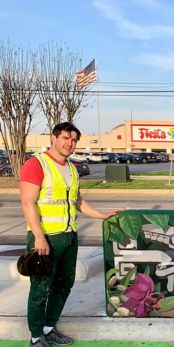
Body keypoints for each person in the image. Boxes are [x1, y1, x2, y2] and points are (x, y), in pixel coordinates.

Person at [19, 122, 119, 347]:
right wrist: (39, 237)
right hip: (46, 238)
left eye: (73, 140)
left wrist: (101, 215)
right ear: (54, 138)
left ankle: (49, 327)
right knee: (40, 289)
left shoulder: (72, 169)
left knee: (64, 284)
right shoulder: (37, 164)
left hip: (69, 237)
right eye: (65, 138)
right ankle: (36, 337)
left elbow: (78, 202)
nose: (69, 144)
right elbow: (27, 203)